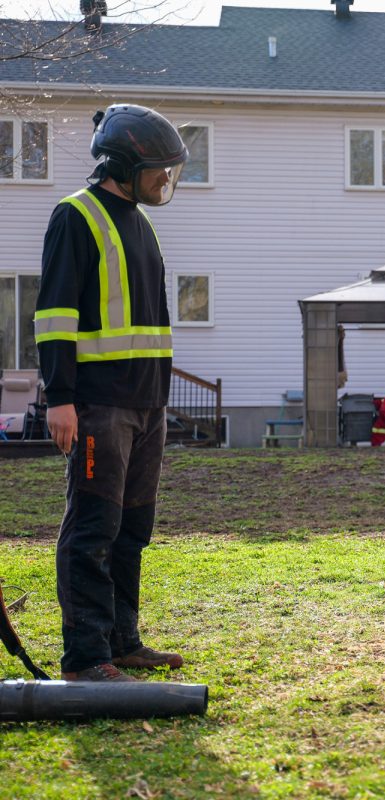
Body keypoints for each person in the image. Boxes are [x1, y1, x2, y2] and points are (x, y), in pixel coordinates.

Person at [35, 104, 188, 682]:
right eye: (159, 170)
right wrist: (60, 398)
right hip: (98, 405)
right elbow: (53, 313)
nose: (165, 181)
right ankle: (86, 657)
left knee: (132, 529)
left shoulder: (141, 222)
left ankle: (123, 641)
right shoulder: (74, 216)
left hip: (148, 405)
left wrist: (159, 402)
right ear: (125, 165)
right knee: (93, 530)